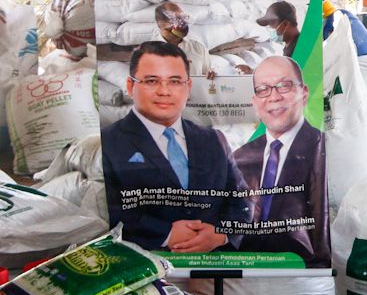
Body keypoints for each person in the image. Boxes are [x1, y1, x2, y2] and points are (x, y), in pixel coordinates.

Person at [101, 41, 251, 253]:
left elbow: (241, 199)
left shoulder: (213, 140)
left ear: (188, 87)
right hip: (140, 266)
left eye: (174, 81)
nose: (164, 91)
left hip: (213, 267)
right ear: (130, 86)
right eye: (152, 81)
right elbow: (106, 209)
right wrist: (166, 234)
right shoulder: (107, 143)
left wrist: (221, 233)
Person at [232, 56, 329, 266]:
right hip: (246, 271)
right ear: (254, 102)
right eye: (263, 89)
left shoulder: (322, 149)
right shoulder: (241, 157)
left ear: (304, 93)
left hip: (301, 272)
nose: (273, 97)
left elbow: (323, 232)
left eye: (284, 86)